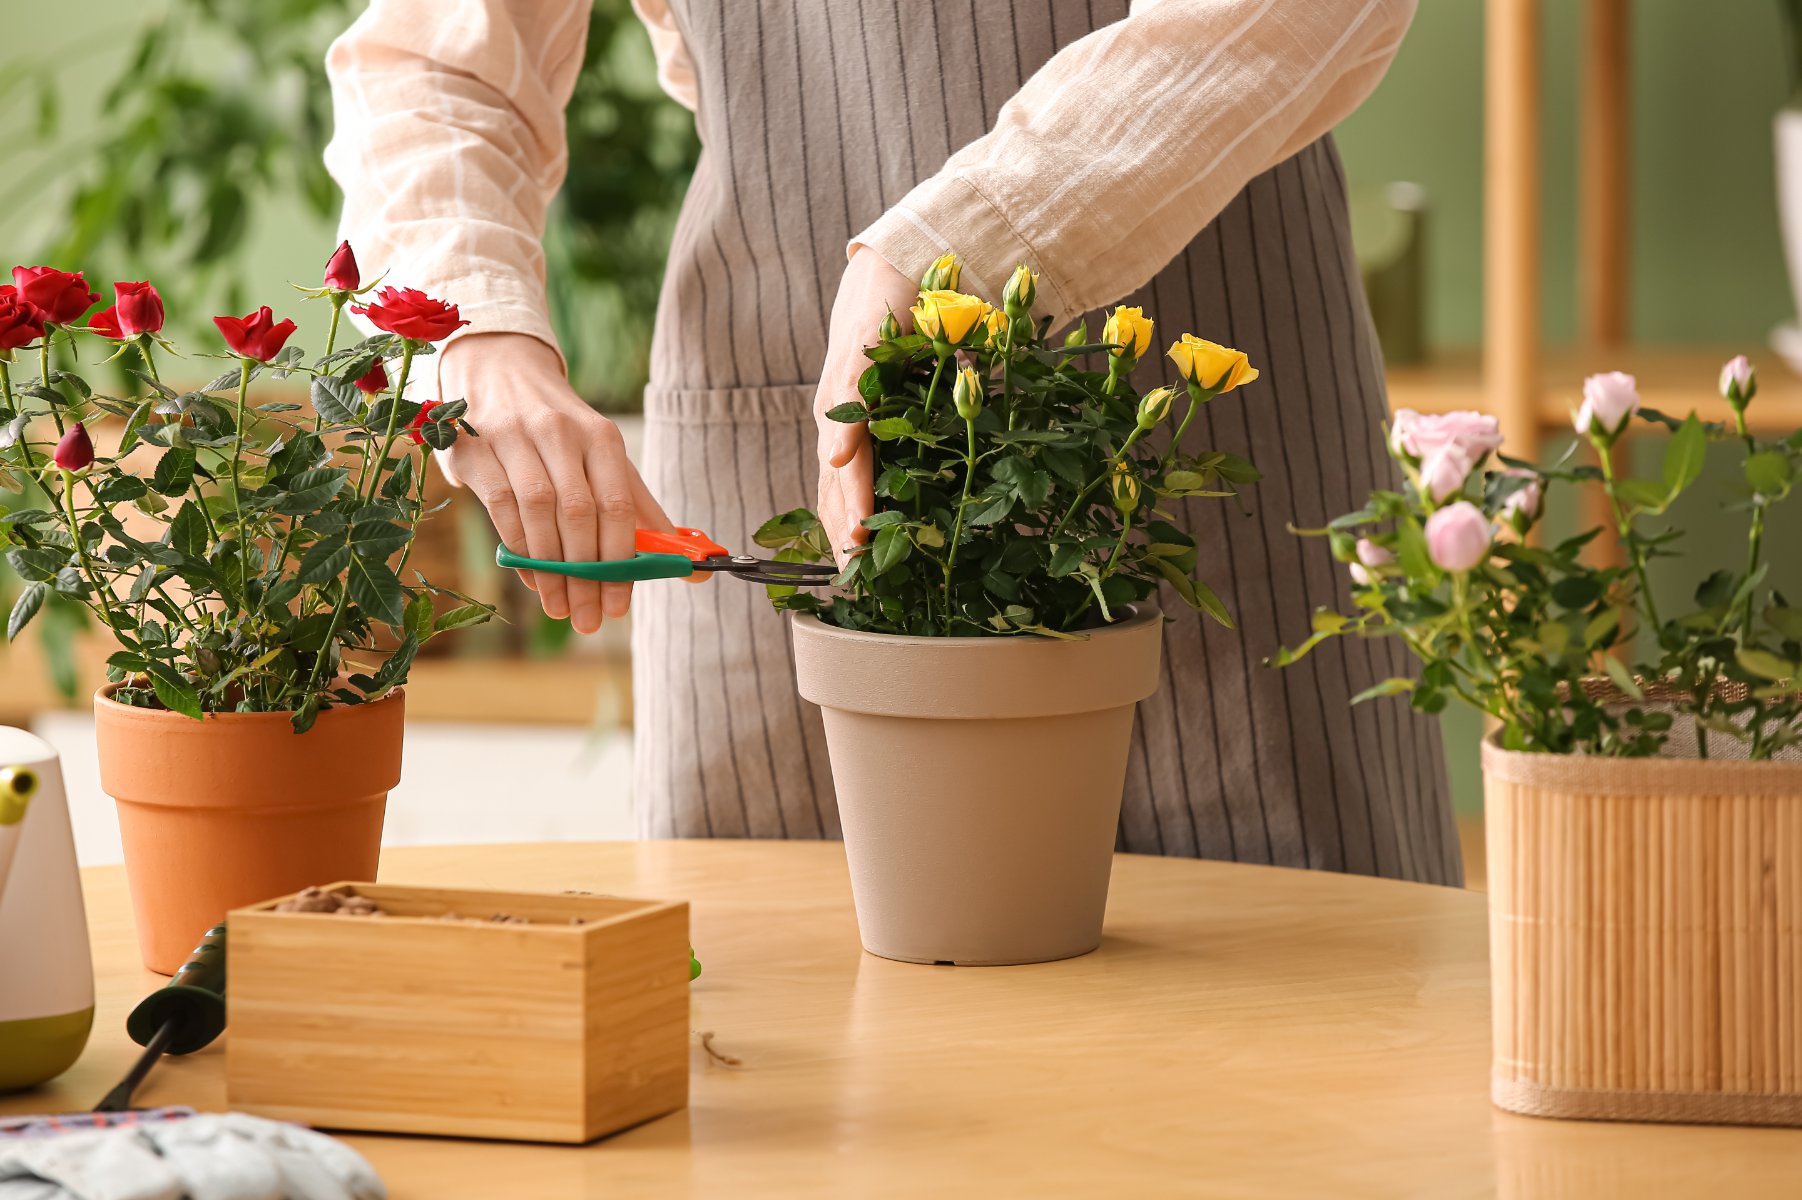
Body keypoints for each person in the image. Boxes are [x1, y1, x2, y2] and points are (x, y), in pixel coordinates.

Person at [325, 0, 1459, 884]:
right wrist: (475, 330)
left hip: (1203, 422)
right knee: (794, 1069)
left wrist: (956, 244)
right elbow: (431, 66)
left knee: (1277, 1050)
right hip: (777, 414)